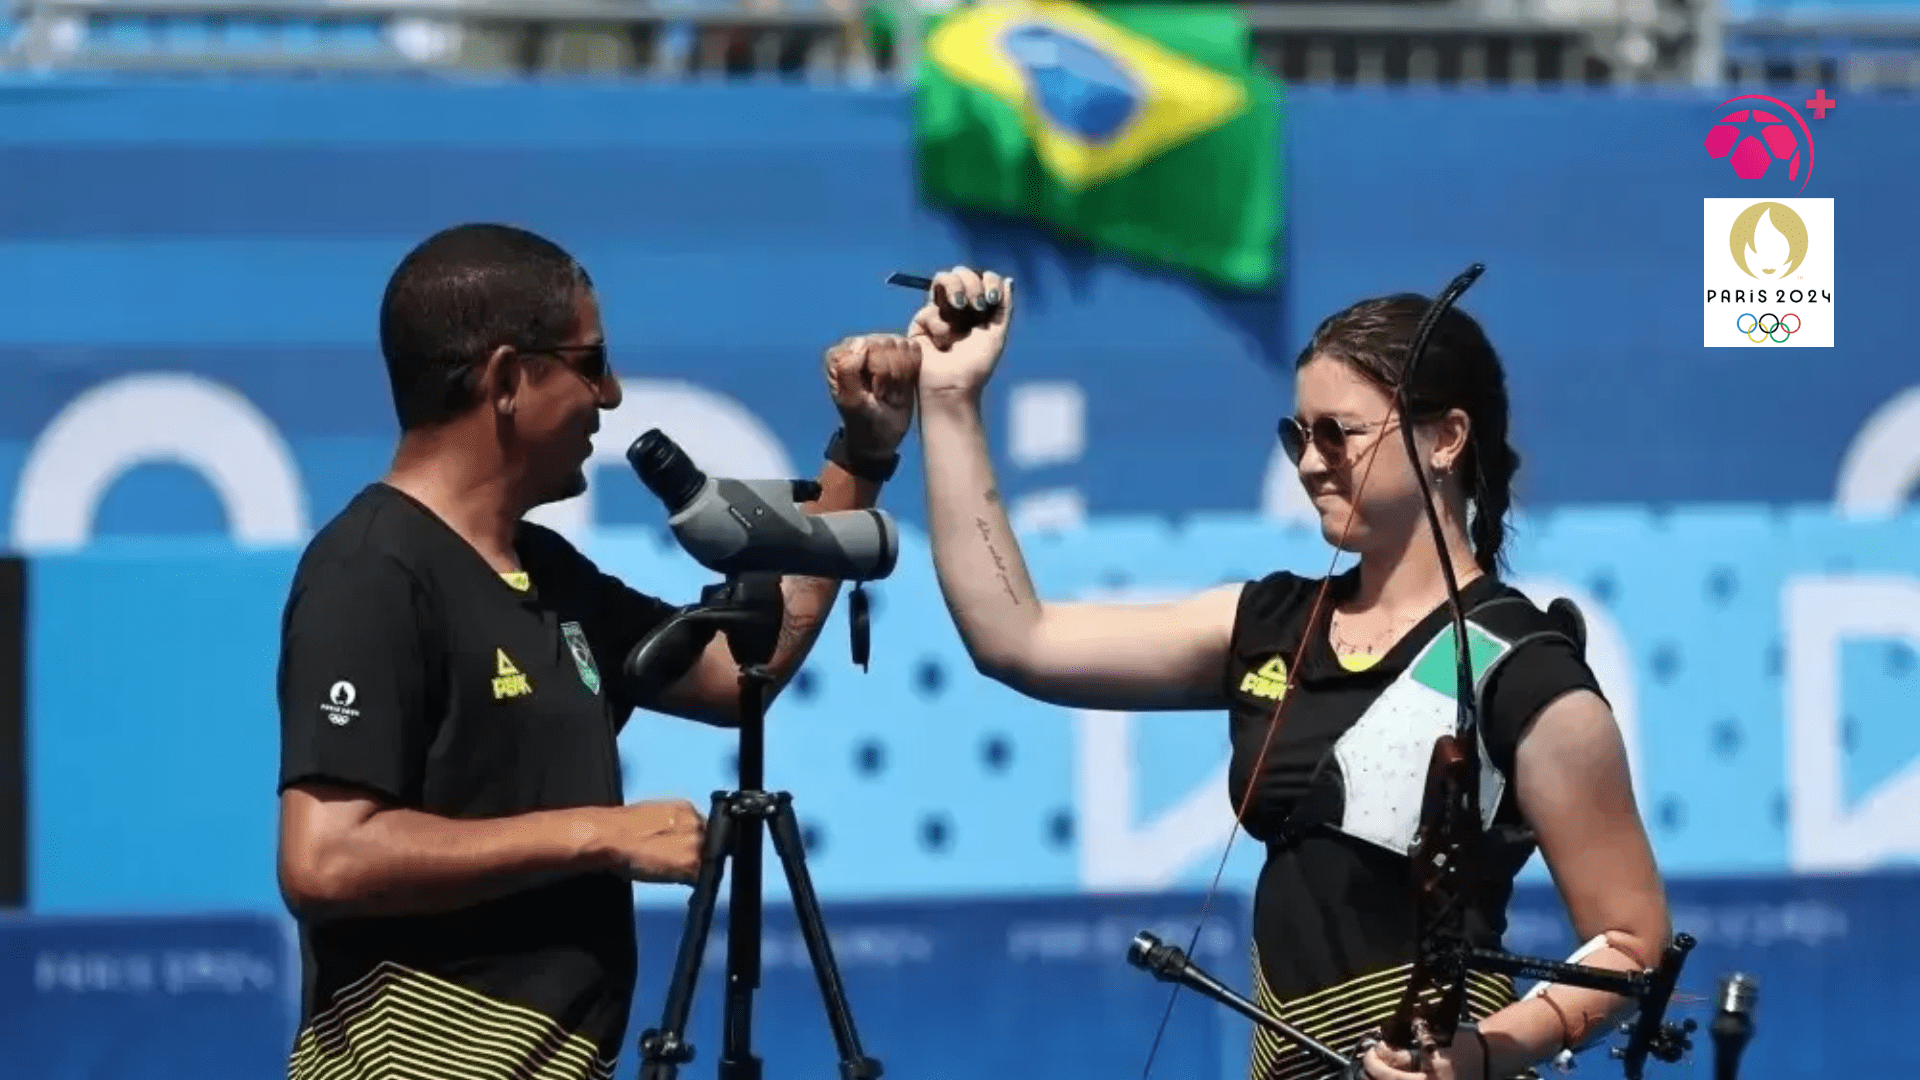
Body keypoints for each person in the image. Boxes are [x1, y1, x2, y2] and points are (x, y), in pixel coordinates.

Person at [871, 266, 1672, 1080]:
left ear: (1446, 438)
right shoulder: (1269, 622)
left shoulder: (1525, 670)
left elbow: (1631, 948)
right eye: (1298, 436)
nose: (1310, 463)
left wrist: (1483, 1053)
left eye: (1340, 434)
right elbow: (1019, 638)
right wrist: (949, 401)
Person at [274, 223, 918, 1080]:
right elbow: (325, 857)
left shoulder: (545, 568)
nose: (611, 396)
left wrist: (863, 452)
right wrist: (596, 836)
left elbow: (738, 675)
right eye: (591, 361)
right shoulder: (369, 569)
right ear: (507, 378)